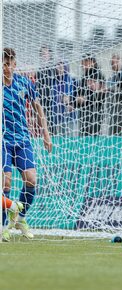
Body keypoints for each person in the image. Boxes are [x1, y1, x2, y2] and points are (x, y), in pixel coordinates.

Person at [2, 48, 53, 240]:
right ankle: (3, 226)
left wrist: (46, 134)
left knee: (31, 179)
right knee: (5, 182)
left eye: (9, 63)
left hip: (23, 139)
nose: (7, 67)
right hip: (3, 141)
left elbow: (38, 109)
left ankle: (20, 217)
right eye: (4, 64)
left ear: (15, 64)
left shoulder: (25, 83)